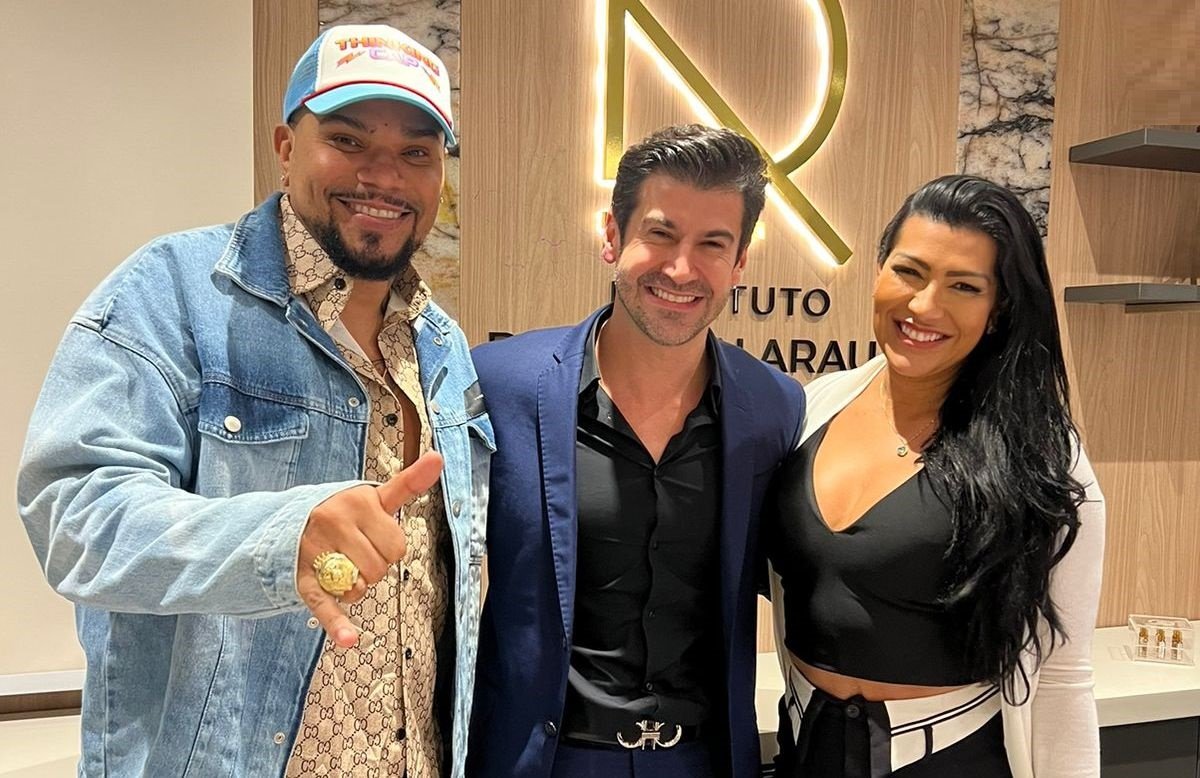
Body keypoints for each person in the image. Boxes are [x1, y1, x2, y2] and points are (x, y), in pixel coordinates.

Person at [17, 24, 493, 778]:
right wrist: (279, 536)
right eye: (348, 140)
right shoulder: (172, 292)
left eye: (416, 153)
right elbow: (74, 517)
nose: (383, 175)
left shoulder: (441, 343)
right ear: (286, 147)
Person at [466, 124, 806, 778]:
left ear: (740, 263)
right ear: (612, 236)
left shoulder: (775, 409)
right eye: (661, 234)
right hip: (544, 762)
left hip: (702, 762)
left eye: (712, 245)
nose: (681, 269)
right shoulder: (501, 385)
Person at [765, 174, 1105, 777]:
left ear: (999, 309)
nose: (924, 306)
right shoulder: (813, 407)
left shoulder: (1042, 457)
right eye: (909, 272)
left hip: (952, 758)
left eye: (964, 286)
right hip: (808, 747)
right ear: (878, 270)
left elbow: (1063, 674)